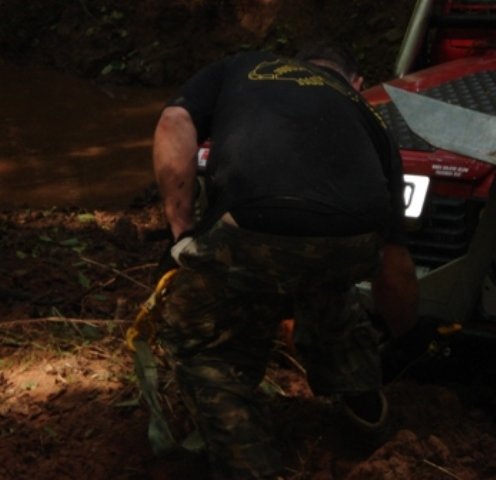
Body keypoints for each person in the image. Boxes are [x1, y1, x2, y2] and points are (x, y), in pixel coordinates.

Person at [152, 41, 415, 479]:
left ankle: (252, 468)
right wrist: (406, 342)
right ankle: (369, 422)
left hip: (255, 224)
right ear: (356, 84)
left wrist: (181, 229)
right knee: (330, 290)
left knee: (207, 347)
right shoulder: (369, 116)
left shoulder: (243, 67)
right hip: (351, 240)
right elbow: (395, 263)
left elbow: (173, 120)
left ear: (293, 67)